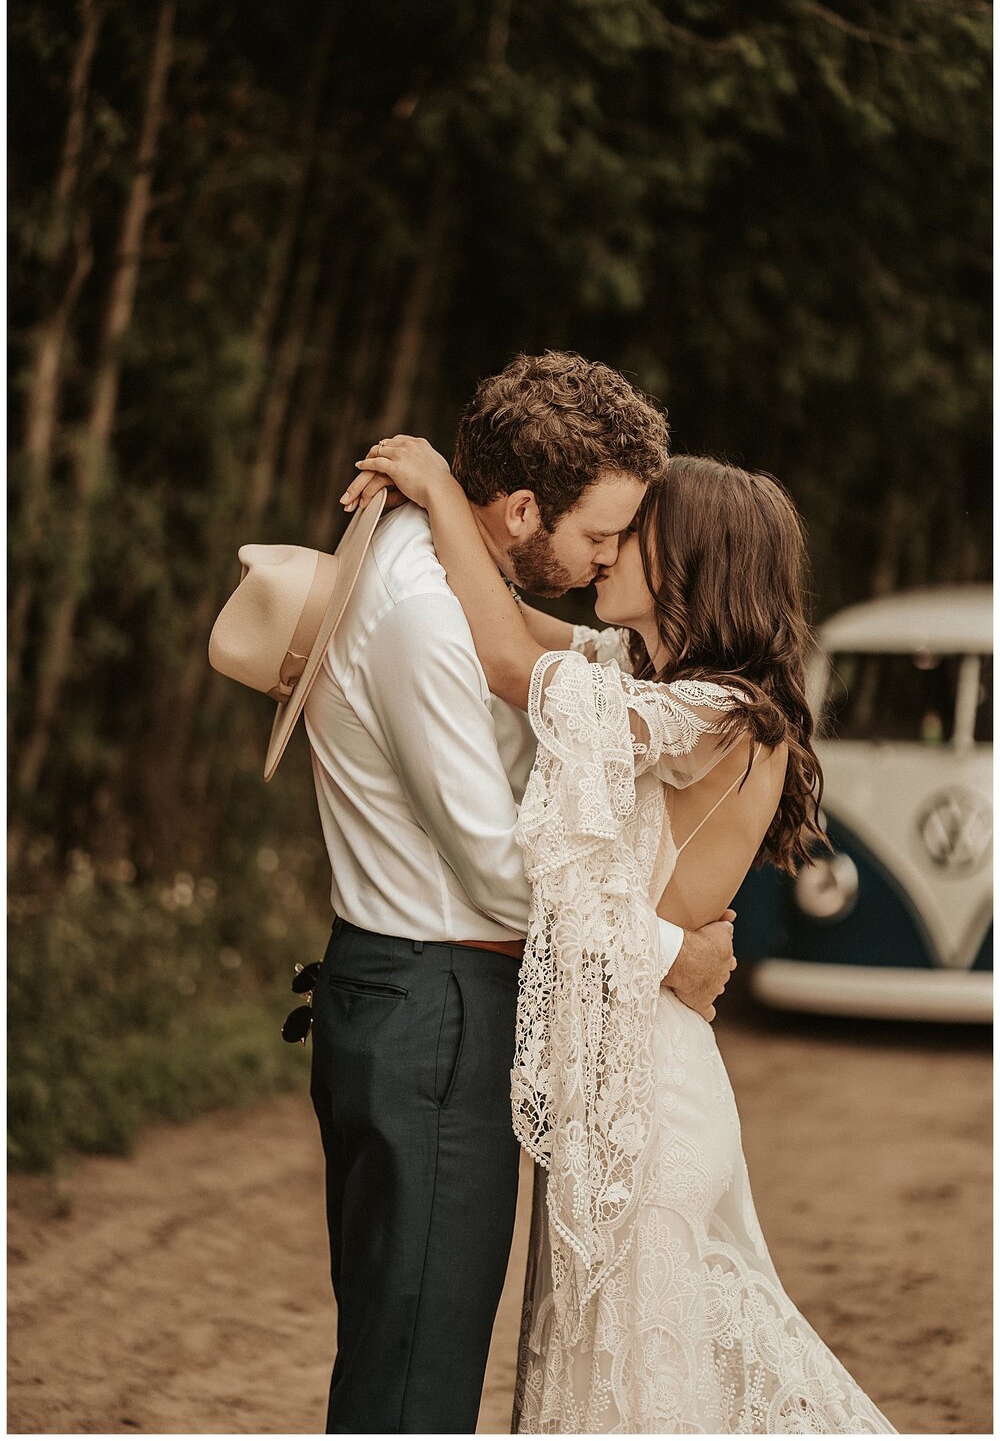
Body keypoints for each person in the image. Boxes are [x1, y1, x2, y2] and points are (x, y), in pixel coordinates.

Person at [343, 437, 897, 1434]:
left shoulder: (717, 713)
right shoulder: (635, 678)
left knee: (638, 1388)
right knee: (594, 1372)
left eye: (630, 536)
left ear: (688, 561)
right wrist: (446, 514)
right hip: (612, 1084)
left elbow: (511, 660)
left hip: (652, 1095)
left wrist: (429, 479)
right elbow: (504, 617)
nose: (604, 555)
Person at [303, 352, 738, 1434]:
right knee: (415, 1374)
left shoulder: (454, 580)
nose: (609, 558)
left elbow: (574, 672)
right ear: (521, 506)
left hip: (422, 996)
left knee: (409, 1345)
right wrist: (662, 950)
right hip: (436, 1005)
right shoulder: (424, 613)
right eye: (602, 533)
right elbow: (501, 861)